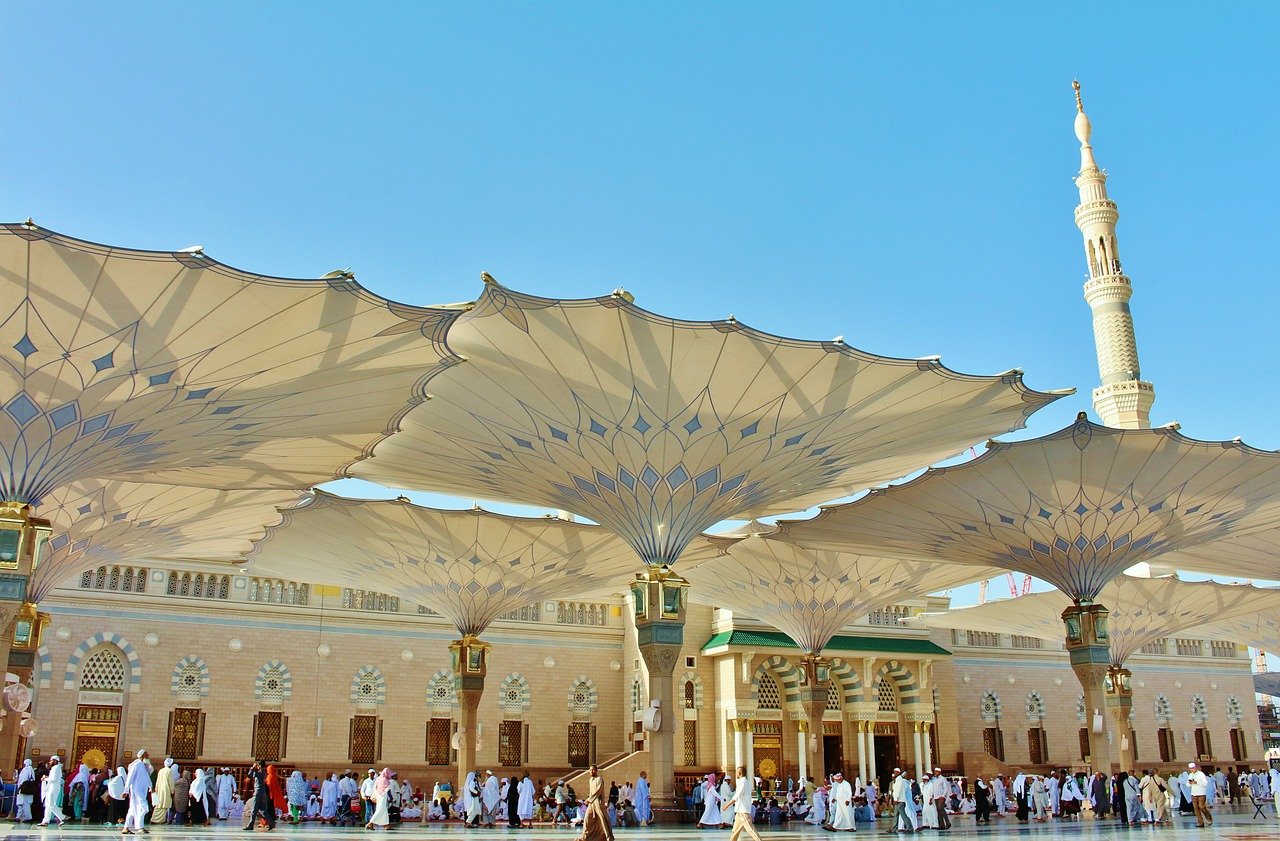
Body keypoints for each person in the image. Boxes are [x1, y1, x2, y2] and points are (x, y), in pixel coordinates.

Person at [578, 765, 614, 841]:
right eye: (590, 770)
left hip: (598, 802)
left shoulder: (599, 779)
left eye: (593, 770)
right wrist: (589, 800)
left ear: (596, 770)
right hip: (592, 803)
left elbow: (599, 791)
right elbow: (591, 792)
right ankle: (585, 837)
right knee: (587, 818)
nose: (591, 771)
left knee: (602, 819)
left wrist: (589, 799)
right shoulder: (590, 780)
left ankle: (608, 837)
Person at [123, 750, 153, 835]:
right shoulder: (136, 765)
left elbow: (147, 776)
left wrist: (151, 786)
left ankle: (126, 827)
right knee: (143, 807)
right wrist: (126, 790)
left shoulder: (143, 765)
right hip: (136, 790)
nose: (148, 756)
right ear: (143, 755)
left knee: (133, 808)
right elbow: (130, 778)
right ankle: (140, 827)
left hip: (142, 790)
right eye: (147, 755)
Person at [39, 755, 66, 827]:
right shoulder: (54, 768)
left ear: (55, 761)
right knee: (48, 805)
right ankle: (45, 821)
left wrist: (45, 779)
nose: (50, 762)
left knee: (51, 804)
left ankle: (63, 817)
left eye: (51, 760)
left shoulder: (56, 768)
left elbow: (54, 779)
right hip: (51, 788)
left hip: (53, 788)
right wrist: (47, 777)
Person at [1187, 763, 1212, 828]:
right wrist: (1190, 783)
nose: (1192, 769)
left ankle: (1209, 818)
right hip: (1193, 794)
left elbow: (1205, 783)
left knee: (1201, 806)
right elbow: (1187, 784)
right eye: (1191, 768)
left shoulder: (1201, 774)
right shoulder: (1190, 775)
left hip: (1201, 793)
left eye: (1193, 768)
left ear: (1195, 767)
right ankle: (1200, 823)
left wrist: (1197, 782)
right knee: (1196, 809)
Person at [151, 758, 174, 824]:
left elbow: (157, 781)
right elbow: (171, 782)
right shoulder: (169, 771)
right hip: (166, 789)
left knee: (159, 804)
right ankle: (159, 820)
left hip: (160, 789)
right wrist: (172, 790)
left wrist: (156, 789)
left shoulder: (161, 770)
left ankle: (154, 819)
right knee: (164, 804)